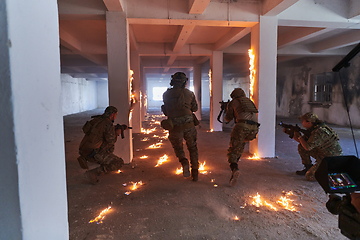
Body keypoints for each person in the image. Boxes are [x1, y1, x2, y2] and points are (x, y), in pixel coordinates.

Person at [161, 72, 199, 181]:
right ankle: (195, 173)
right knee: (192, 148)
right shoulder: (190, 93)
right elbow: (195, 109)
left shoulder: (166, 94)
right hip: (189, 125)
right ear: (184, 82)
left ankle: (184, 161)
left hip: (174, 126)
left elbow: (166, 111)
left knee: (178, 147)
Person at [77, 106, 125, 184]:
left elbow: (100, 132)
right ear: (112, 115)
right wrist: (117, 133)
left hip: (84, 149)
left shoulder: (97, 120)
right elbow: (111, 141)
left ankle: (101, 163)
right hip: (93, 152)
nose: (116, 117)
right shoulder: (108, 124)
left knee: (108, 148)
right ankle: (93, 173)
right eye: (116, 115)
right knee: (118, 162)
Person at [291, 112, 343, 181]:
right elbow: (303, 143)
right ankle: (308, 167)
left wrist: (300, 136)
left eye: (303, 120)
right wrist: (292, 134)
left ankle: (329, 174)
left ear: (309, 122)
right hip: (324, 154)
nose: (302, 122)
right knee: (301, 147)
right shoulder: (313, 129)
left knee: (310, 176)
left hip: (331, 159)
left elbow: (307, 147)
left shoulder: (319, 132)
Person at [224, 88, 260, 187]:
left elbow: (228, 118)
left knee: (232, 150)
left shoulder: (233, 102)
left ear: (234, 96)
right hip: (254, 129)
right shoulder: (249, 101)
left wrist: (227, 109)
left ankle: (234, 168)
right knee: (240, 144)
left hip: (242, 127)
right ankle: (236, 162)